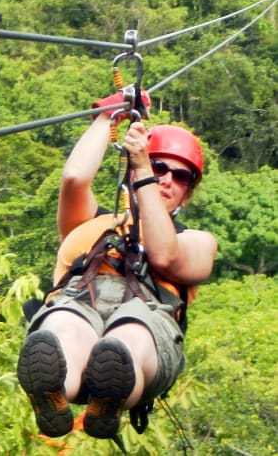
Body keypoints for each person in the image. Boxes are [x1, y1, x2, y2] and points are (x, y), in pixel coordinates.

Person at [16, 97, 217, 441]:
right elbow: (75, 178)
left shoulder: (197, 242)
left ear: (186, 195)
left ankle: (111, 395)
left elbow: (164, 256)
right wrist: (109, 115)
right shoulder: (92, 225)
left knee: (128, 339)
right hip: (80, 300)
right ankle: (53, 392)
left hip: (150, 327)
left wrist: (143, 171)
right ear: (131, 171)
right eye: (158, 167)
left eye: (179, 175)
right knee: (63, 327)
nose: (166, 179)